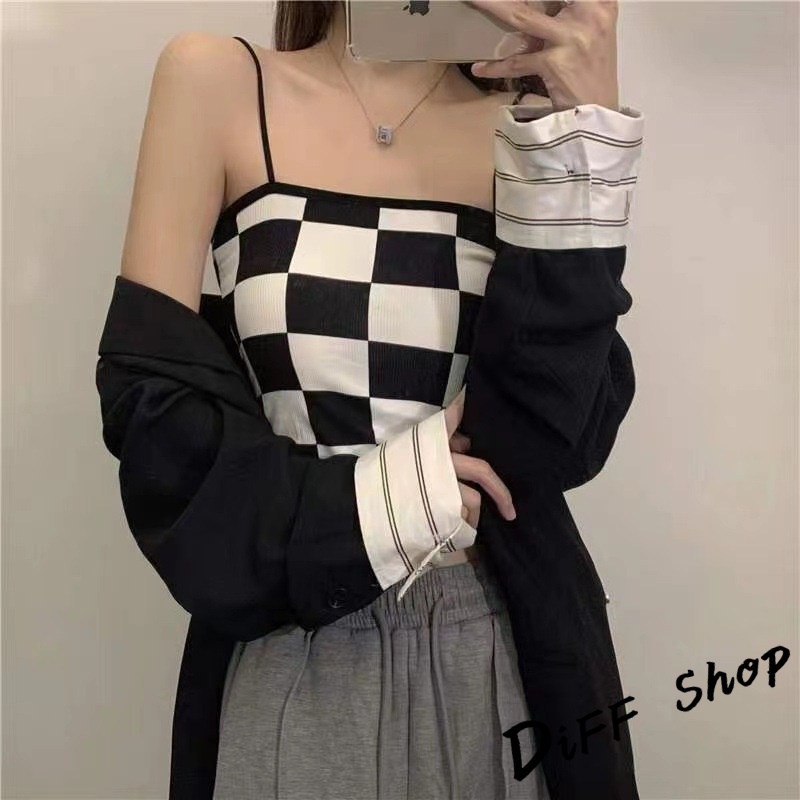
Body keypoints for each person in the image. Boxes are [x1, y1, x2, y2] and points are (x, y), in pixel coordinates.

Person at [99, 1, 644, 798]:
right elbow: (156, 416)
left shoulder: (530, 127)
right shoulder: (219, 82)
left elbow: (552, 439)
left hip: (502, 641)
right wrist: (395, 493)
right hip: (293, 634)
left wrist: (586, 141)